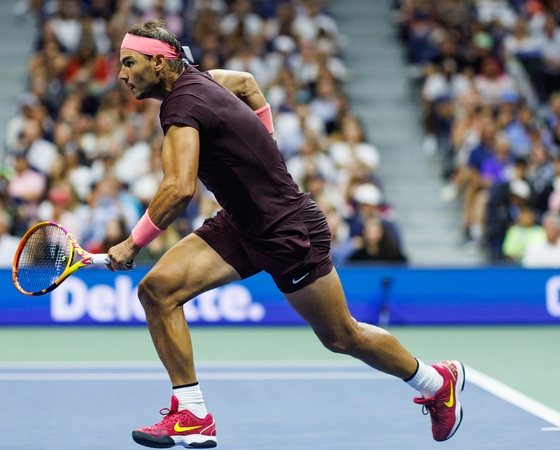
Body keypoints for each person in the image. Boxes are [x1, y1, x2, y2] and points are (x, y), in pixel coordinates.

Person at [106, 21, 464, 448]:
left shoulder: (180, 108)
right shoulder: (202, 79)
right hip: (242, 222)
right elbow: (248, 83)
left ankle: (435, 380)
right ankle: (192, 415)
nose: (123, 74)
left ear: (161, 63)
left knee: (341, 336)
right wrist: (266, 138)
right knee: (157, 291)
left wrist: (134, 242)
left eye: (130, 63)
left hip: (286, 232)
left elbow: (179, 188)